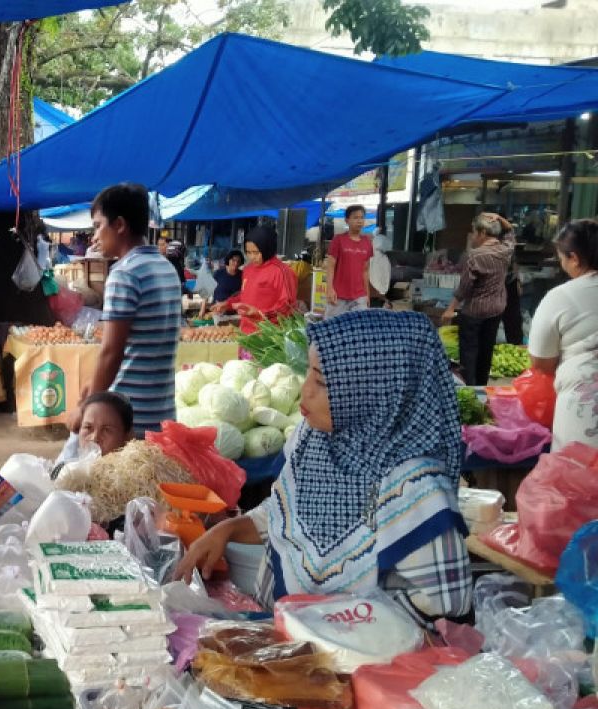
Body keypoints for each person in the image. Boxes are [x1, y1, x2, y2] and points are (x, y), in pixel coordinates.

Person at [176, 311, 472, 622]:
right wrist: (229, 529)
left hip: (358, 664)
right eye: (308, 374)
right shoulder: (314, 441)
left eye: (321, 381)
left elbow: (446, 611)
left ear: (371, 394)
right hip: (281, 641)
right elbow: (286, 512)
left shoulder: (417, 491)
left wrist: (335, 627)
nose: (306, 391)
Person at [83, 183, 182, 437]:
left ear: (119, 225)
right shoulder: (166, 268)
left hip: (126, 421)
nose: (94, 237)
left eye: (97, 226)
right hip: (162, 416)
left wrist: (88, 408)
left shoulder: (124, 274)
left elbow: (111, 352)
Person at [528, 219, 598, 451]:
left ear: (575, 258)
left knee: (576, 478)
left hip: (585, 410)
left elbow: (541, 361)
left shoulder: (560, 297)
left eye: (562, 258)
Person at [442, 213, 514, 386]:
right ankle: (482, 387)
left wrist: (450, 308)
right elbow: (510, 231)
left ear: (482, 232)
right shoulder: (506, 250)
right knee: (486, 350)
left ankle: (470, 390)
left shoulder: (475, 255)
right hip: (496, 310)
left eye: (474, 232)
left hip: (475, 312)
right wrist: (498, 218)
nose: (472, 236)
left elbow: (465, 288)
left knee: (469, 353)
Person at [230, 225, 297, 335]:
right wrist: (227, 304)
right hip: (246, 333)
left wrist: (261, 314)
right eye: (248, 252)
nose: (252, 257)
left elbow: (287, 306)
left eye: (256, 252)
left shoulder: (281, 271)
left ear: (267, 248)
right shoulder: (248, 269)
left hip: (269, 336)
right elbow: (246, 295)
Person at [53, 391, 135, 472]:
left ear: (127, 437)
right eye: (88, 427)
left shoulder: (135, 479)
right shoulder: (65, 473)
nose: (94, 438)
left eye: (106, 430)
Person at [323, 205, 373, 317]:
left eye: (362, 217)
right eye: (355, 218)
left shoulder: (367, 242)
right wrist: (330, 289)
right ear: (347, 220)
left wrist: (367, 295)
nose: (359, 221)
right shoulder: (338, 240)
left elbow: (365, 270)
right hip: (338, 295)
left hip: (359, 298)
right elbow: (330, 266)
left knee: (359, 331)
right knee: (332, 329)